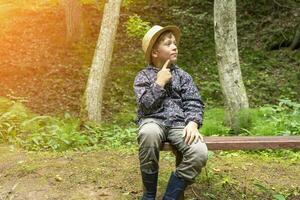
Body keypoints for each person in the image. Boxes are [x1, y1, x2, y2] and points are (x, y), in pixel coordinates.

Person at [133, 25, 208, 200]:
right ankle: (149, 195)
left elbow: (194, 102)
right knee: (148, 133)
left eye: (175, 43)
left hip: (179, 125)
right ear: (154, 53)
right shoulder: (143, 77)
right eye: (168, 44)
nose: (174, 46)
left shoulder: (183, 76)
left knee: (199, 152)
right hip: (152, 121)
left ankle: (170, 196)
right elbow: (144, 107)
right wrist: (158, 83)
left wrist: (193, 123)